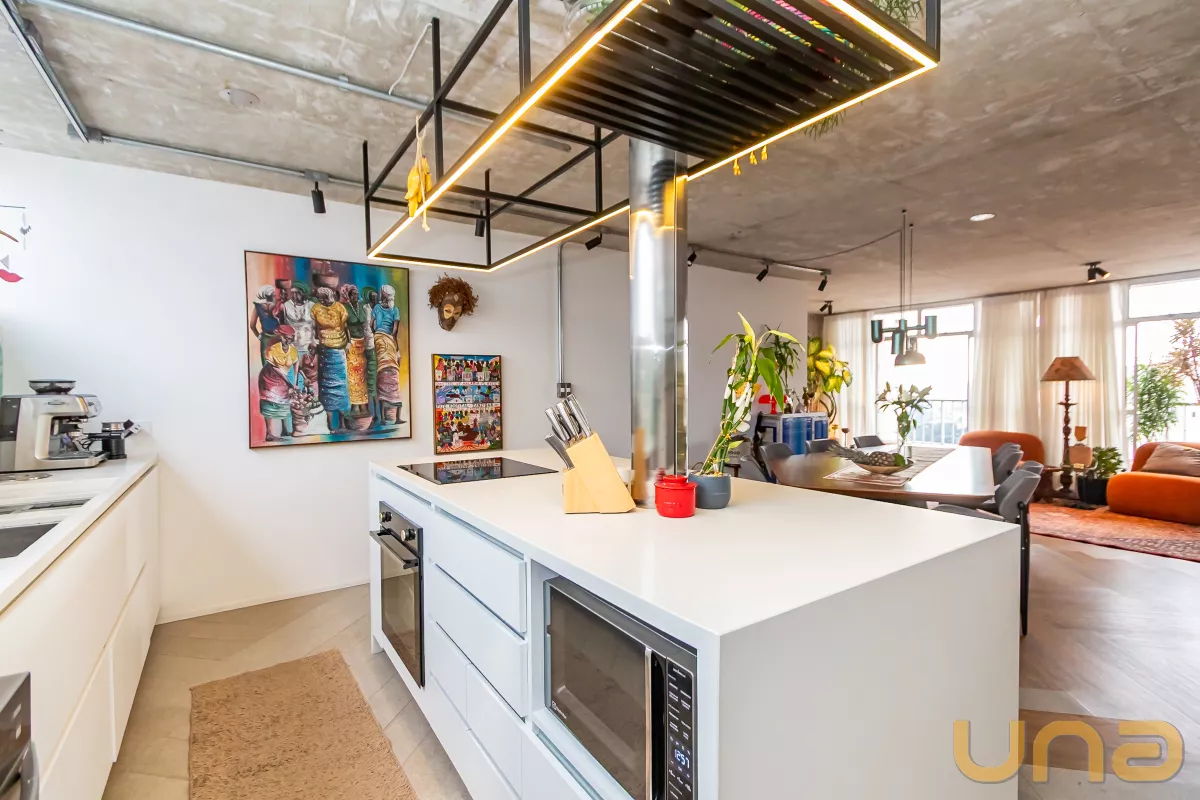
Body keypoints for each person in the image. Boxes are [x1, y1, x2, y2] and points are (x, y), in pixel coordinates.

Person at [311, 286, 350, 431]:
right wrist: (315, 341)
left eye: (323, 298)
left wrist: (349, 343)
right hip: (325, 351)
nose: (321, 300)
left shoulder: (339, 308)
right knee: (326, 389)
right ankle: (329, 425)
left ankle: (343, 423)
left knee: (341, 387)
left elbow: (345, 327)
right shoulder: (316, 309)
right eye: (319, 298)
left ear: (329, 296)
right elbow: (314, 328)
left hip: (339, 350)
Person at [258, 325, 298, 441]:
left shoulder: (293, 351)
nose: (288, 340)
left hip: (283, 379)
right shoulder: (272, 349)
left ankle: (284, 429)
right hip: (269, 379)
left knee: (284, 401)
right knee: (269, 403)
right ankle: (269, 433)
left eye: (290, 338)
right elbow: (275, 369)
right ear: (281, 337)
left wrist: (294, 384)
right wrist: (289, 384)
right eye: (286, 338)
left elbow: (296, 367)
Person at [342, 285, 373, 419]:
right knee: (353, 375)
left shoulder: (361, 307)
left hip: (362, 344)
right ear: (348, 296)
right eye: (353, 294)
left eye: (356, 294)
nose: (355, 296)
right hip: (352, 344)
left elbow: (365, 326)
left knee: (362, 375)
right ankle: (355, 405)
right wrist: (348, 343)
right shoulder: (345, 308)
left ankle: (363, 404)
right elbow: (344, 327)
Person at [248, 285, 279, 361]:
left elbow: (252, 325)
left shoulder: (258, 306)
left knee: (267, 363)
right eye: (273, 295)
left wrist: (259, 337)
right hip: (277, 337)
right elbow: (252, 325)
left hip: (267, 338)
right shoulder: (277, 305)